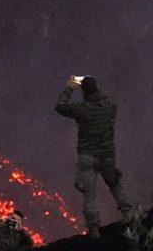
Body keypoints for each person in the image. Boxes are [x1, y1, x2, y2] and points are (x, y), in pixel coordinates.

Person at [55, 75, 134, 238]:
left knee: (89, 195)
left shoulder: (82, 109)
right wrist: (92, 86)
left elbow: (60, 107)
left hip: (87, 157)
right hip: (107, 155)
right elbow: (108, 98)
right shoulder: (111, 105)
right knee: (116, 185)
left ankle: (94, 230)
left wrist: (69, 87)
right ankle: (128, 216)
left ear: (83, 91)